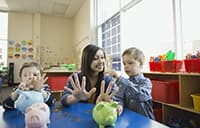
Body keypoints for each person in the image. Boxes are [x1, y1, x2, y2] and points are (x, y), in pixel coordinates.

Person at [110, 47, 155, 119]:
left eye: (130, 63)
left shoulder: (146, 81)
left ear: (141, 65)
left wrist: (120, 79)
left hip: (145, 120)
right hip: (130, 120)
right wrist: (119, 105)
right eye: (124, 64)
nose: (126, 66)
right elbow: (119, 98)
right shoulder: (123, 82)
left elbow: (141, 95)